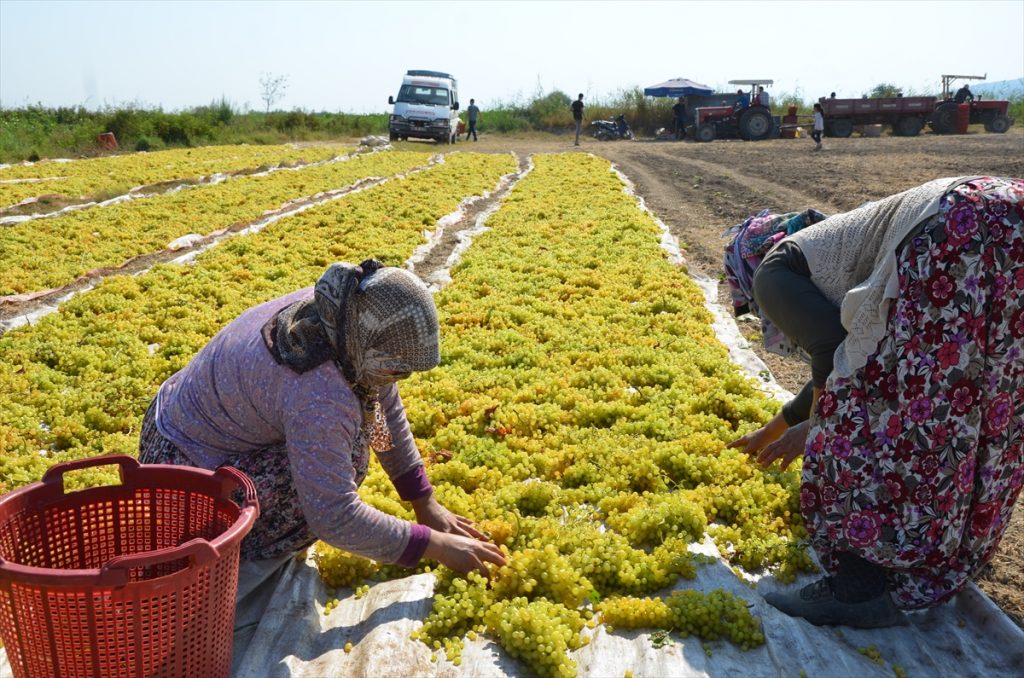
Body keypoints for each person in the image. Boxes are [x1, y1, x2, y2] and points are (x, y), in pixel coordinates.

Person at [726, 177, 1024, 628]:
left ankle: (857, 589)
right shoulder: (828, 245)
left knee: (868, 417)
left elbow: (833, 361)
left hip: (952, 234)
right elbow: (841, 354)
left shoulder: (769, 273)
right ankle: (935, 552)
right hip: (1006, 214)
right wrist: (774, 429)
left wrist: (817, 429)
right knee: (982, 397)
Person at [138, 260, 507, 578]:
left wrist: (422, 500)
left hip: (178, 420)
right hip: (180, 478)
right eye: (399, 369)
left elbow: (381, 405)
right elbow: (333, 515)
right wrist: (436, 547)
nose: (402, 378)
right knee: (348, 460)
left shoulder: (340, 314)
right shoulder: (319, 391)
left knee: (351, 437)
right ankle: (226, 543)